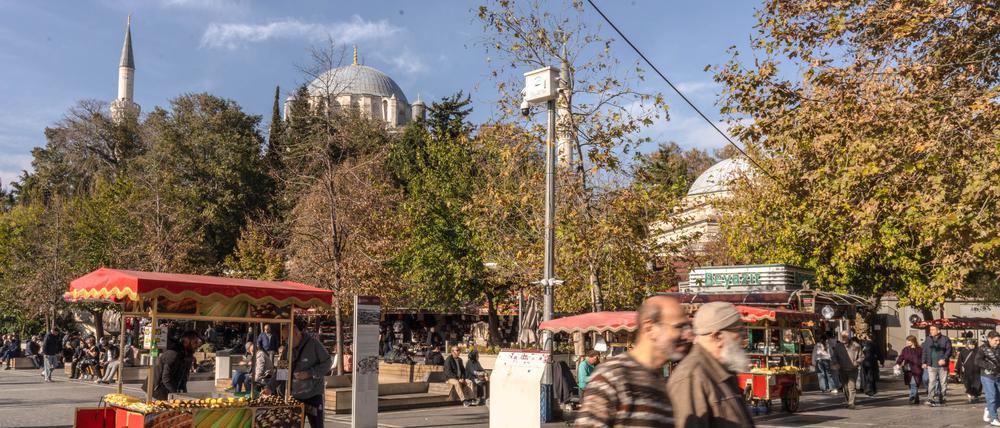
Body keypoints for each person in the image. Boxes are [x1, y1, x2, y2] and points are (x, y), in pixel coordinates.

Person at [576, 296, 693, 427]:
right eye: (679, 327)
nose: (687, 335)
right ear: (650, 328)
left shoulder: (659, 382)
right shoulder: (612, 376)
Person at [667, 301, 755, 428]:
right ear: (718, 336)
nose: (743, 338)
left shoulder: (725, 370)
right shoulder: (691, 378)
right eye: (739, 331)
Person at [264, 319, 331, 428]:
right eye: (284, 339)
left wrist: (310, 373)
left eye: (287, 338)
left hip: (313, 395)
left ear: (296, 334)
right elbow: (281, 372)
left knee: (317, 425)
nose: (286, 342)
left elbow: (328, 362)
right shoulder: (286, 350)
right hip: (295, 397)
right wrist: (269, 388)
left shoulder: (314, 344)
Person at [148, 331, 202, 400]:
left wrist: (185, 395)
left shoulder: (188, 355)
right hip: (156, 391)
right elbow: (166, 378)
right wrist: (177, 394)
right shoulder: (173, 354)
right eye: (195, 342)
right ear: (186, 342)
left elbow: (183, 378)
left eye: (198, 343)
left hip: (170, 390)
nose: (197, 346)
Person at [831, 331, 864, 409]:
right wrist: (835, 363)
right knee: (845, 387)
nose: (844, 338)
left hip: (852, 369)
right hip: (842, 369)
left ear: (849, 337)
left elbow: (861, 356)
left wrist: (856, 363)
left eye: (845, 336)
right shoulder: (838, 346)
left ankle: (851, 403)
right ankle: (848, 400)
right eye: (842, 336)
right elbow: (834, 356)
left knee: (851, 387)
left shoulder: (856, 346)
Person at [922, 325, 953, 406]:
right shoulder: (928, 339)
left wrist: (944, 359)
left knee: (943, 383)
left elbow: (949, 350)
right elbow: (924, 351)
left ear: (938, 330)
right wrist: (923, 362)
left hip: (943, 366)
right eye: (930, 329)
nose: (931, 331)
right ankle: (930, 399)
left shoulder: (945, 339)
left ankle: (942, 398)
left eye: (933, 329)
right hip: (931, 364)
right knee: (931, 382)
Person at [978, 332, 1000, 426]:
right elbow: (978, 361)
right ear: (989, 339)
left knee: (998, 398)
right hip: (987, 376)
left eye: (999, 340)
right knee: (991, 397)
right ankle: (994, 418)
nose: (998, 342)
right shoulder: (982, 348)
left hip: (998, 375)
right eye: (996, 340)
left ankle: (988, 408)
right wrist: (989, 366)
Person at [894, 335, 924, 404]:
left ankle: (912, 397)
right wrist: (898, 364)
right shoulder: (905, 349)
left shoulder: (920, 349)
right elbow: (901, 357)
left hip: (917, 370)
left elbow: (923, 358)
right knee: (911, 385)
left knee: (914, 383)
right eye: (907, 341)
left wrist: (923, 364)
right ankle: (916, 399)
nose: (907, 342)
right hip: (908, 370)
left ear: (913, 341)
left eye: (908, 341)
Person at [957, 338, 982, 403]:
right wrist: (959, 370)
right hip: (967, 371)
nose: (972, 346)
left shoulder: (978, 351)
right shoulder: (963, 351)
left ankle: (976, 396)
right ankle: (970, 396)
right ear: (967, 344)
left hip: (977, 371)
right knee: (968, 384)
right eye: (970, 344)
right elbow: (960, 362)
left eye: (973, 344)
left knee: (977, 384)